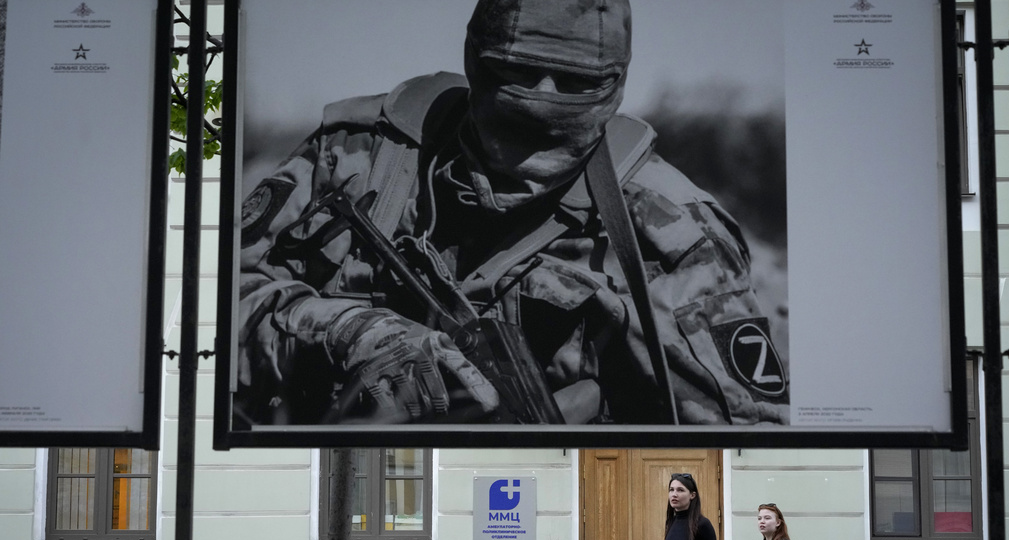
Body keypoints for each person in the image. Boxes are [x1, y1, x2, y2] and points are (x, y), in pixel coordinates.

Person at [235, 0, 789, 427]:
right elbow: (205, 304)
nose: (543, 99)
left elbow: (743, 454)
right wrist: (347, 332)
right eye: (518, 73)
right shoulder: (357, 158)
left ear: (616, 82)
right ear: (475, 59)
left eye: (576, 84)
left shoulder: (671, 233)